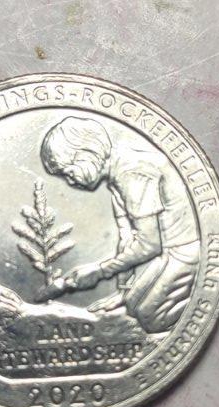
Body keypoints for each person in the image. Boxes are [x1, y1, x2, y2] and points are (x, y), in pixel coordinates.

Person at [40, 116, 200, 333]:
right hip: (169, 253)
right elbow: (128, 238)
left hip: (187, 250)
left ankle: (197, 294)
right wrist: (124, 292)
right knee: (132, 306)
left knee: (150, 317)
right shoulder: (115, 181)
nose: (70, 181)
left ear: (86, 155)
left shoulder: (132, 174)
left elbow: (149, 245)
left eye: (69, 172)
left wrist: (100, 271)